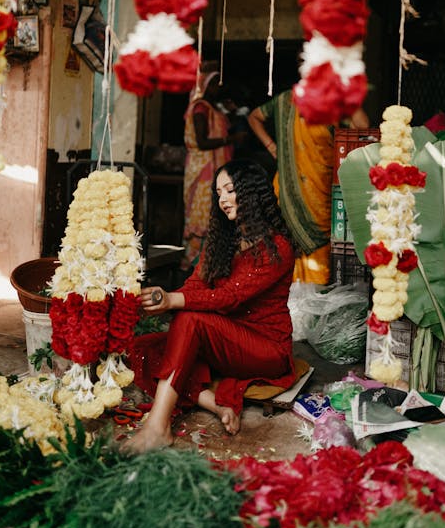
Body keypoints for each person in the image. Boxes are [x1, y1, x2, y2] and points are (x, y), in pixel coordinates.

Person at [127, 159, 297, 453]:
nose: (223, 200)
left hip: (266, 349)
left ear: (252, 193)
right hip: (225, 340)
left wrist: (173, 300)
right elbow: (195, 285)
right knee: (143, 349)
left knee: (190, 319)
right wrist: (161, 299)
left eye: (230, 190)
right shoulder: (223, 242)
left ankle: (157, 426)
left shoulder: (277, 246)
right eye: (219, 193)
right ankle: (215, 404)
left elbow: (230, 296)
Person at [248, 90, 369, 285]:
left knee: (319, 261)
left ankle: (313, 308)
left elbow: (362, 125)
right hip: (287, 192)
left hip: (319, 194)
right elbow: (254, 117)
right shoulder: (287, 100)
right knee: (283, 253)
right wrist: (272, 147)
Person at [182, 70, 234, 269]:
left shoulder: (212, 109)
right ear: (205, 87)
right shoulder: (200, 109)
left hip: (212, 168)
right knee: (201, 216)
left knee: (212, 213)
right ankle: (194, 263)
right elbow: (202, 141)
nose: (218, 89)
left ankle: (208, 262)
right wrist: (230, 140)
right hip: (203, 167)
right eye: (214, 85)